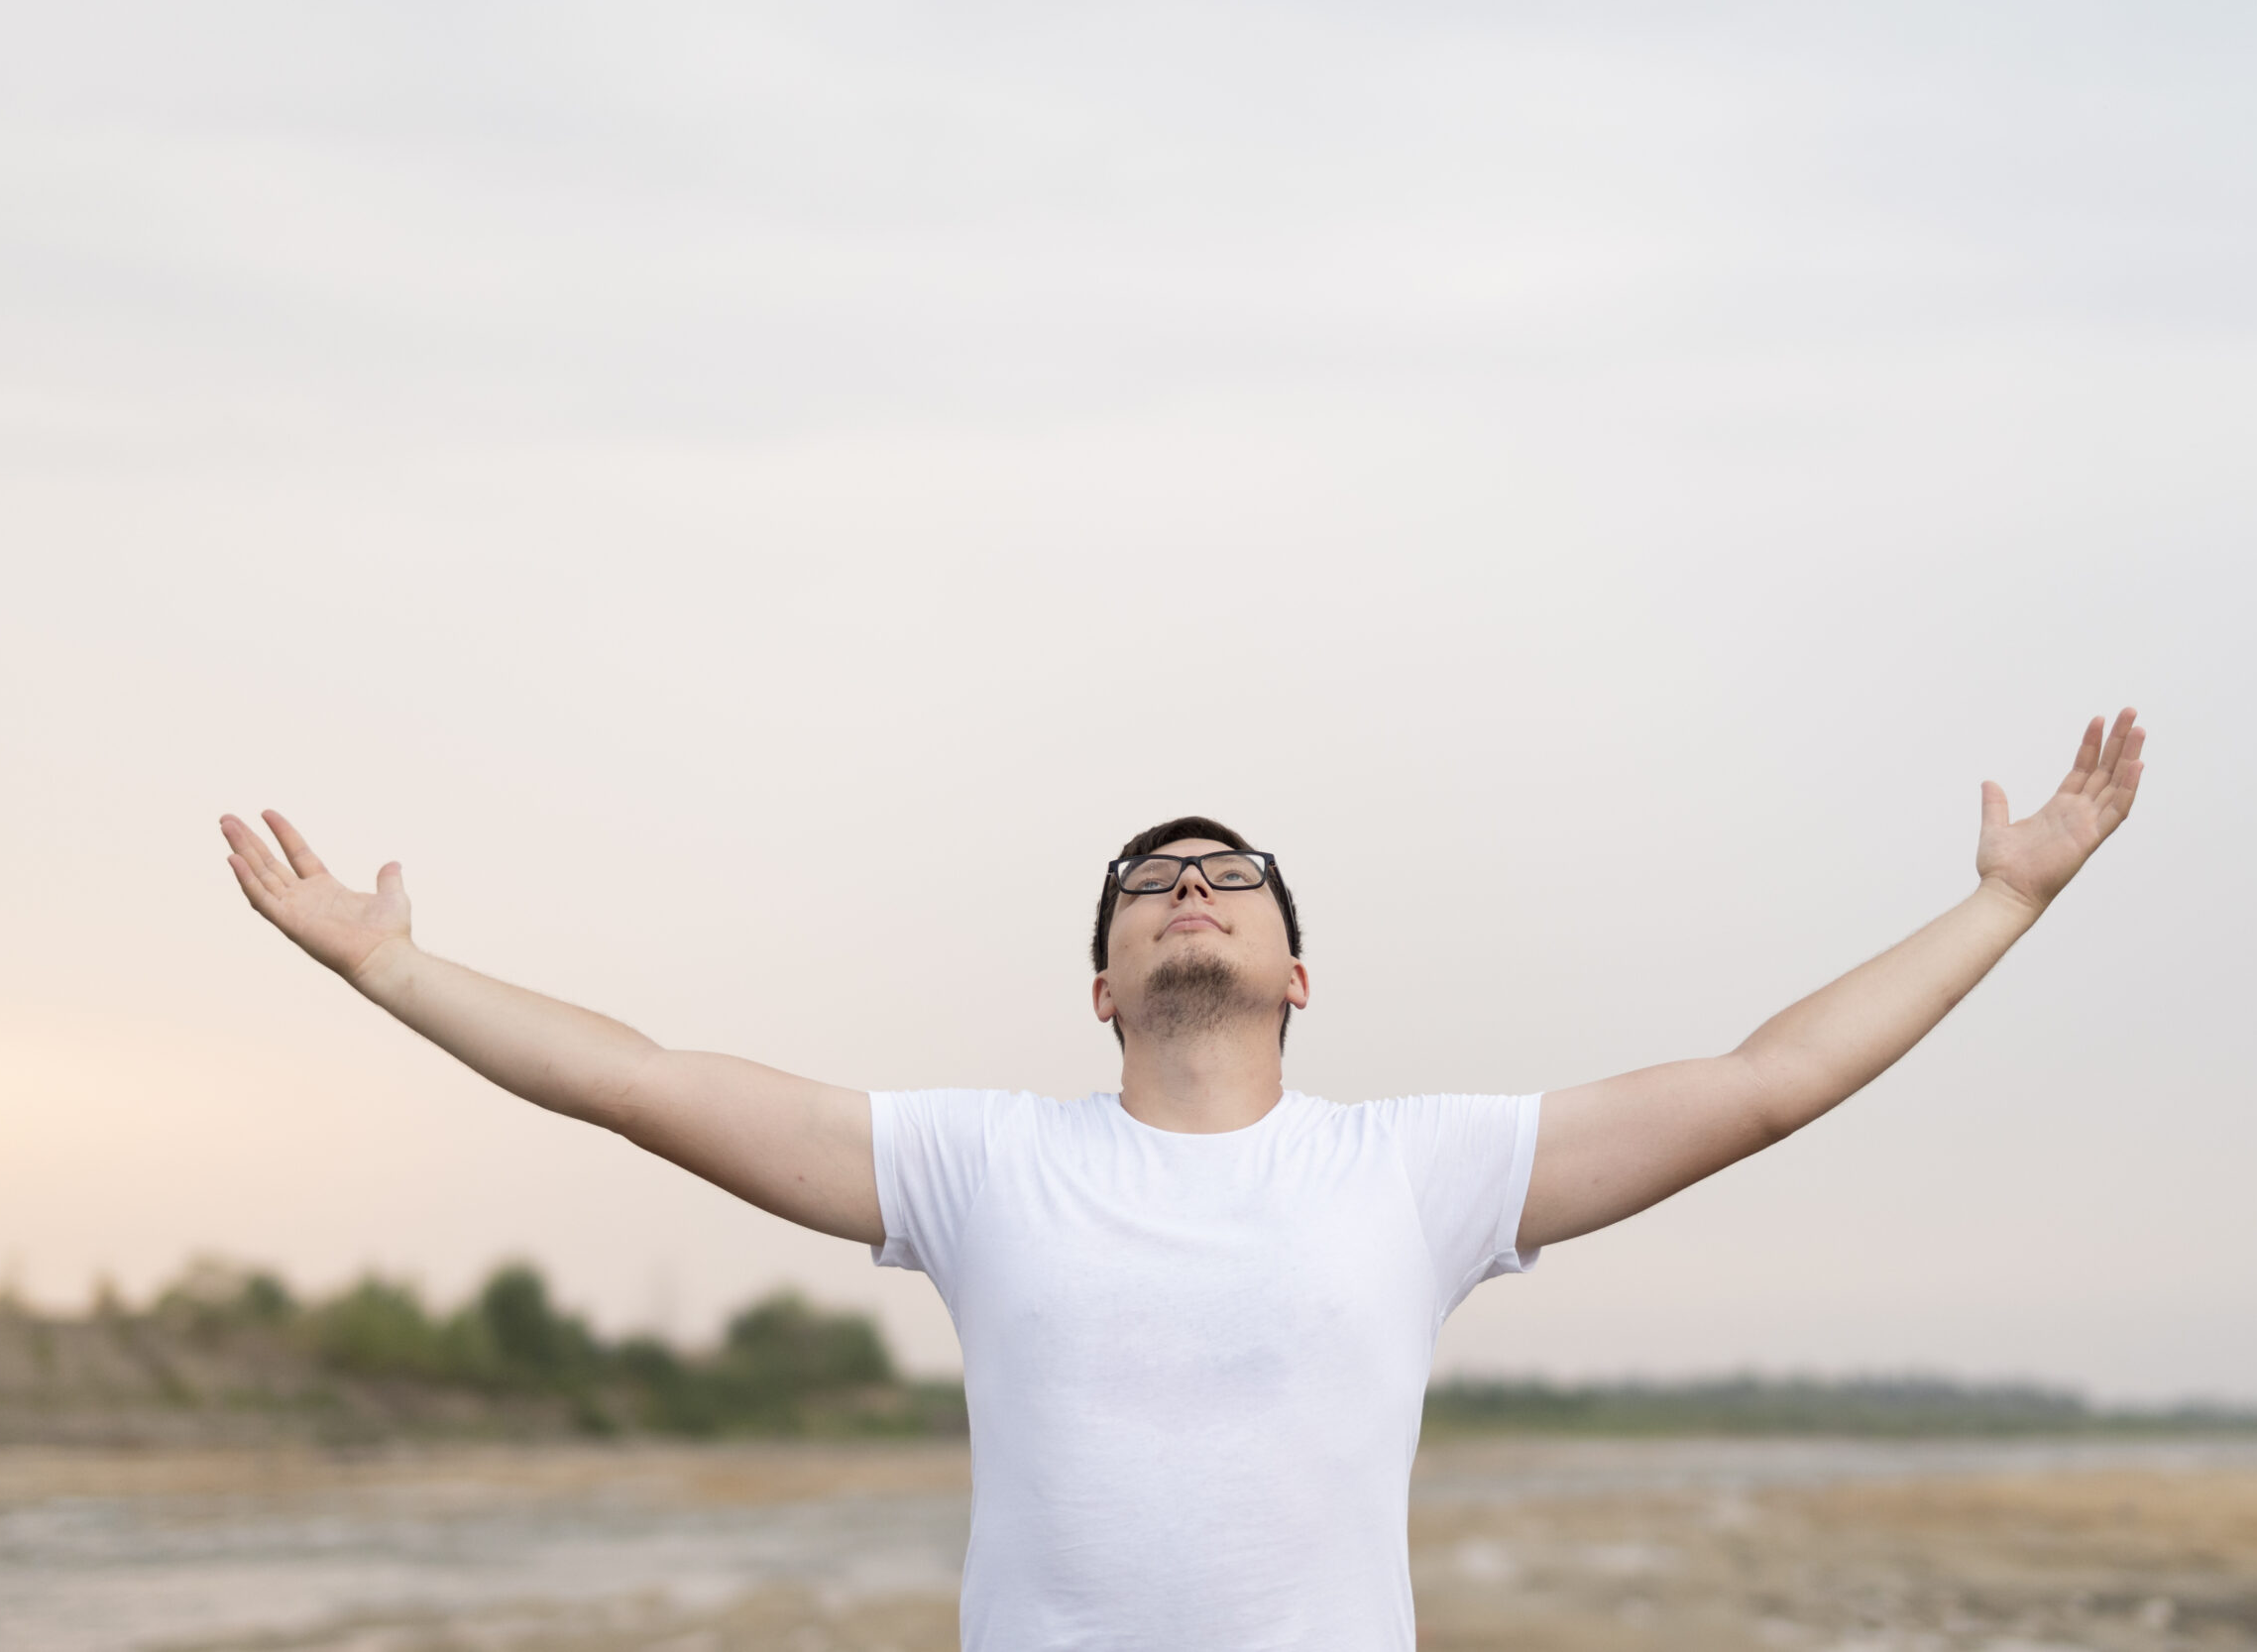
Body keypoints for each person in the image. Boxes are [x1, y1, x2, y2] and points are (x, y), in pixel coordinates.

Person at [219, 708, 2147, 1652]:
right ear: (1101, 982)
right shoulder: (983, 1166)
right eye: (1149, 888)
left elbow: (1765, 1082)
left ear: (1297, 974)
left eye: (1228, 881)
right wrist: (395, 973)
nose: (1188, 893)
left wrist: (1998, 901)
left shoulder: (1422, 1172)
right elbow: (641, 1086)